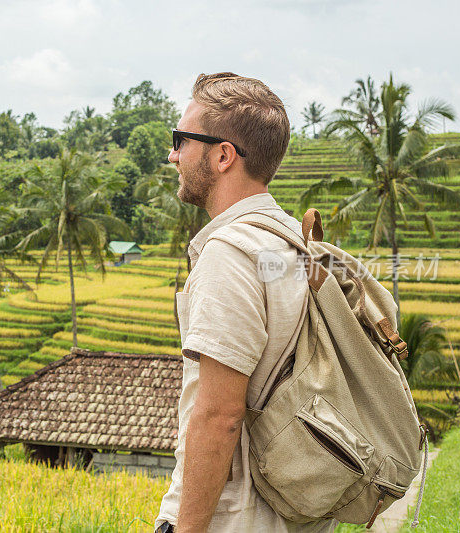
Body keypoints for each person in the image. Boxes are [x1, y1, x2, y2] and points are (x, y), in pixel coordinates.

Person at [154, 73, 336, 533]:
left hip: (239, 515)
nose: (172, 155)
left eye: (180, 140)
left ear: (222, 156)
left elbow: (219, 416)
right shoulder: (299, 244)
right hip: (299, 509)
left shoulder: (231, 254)